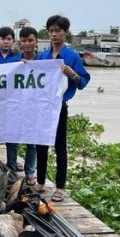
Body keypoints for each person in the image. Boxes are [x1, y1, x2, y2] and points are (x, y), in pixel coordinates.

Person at [36, 15, 90, 202]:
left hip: (59, 106)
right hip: (43, 106)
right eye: (51, 31)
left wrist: (72, 73)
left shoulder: (71, 57)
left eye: (57, 30)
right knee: (40, 144)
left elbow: (82, 81)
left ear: (65, 32)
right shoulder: (42, 57)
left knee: (60, 146)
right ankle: (40, 182)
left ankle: (60, 187)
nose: (54, 34)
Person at [5, 27, 39, 184]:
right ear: (19, 42)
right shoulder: (12, 63)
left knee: (32, 141)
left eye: (30, 40)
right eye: (24, 41)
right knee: (11, 139)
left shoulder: (44, 62)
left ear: (36, 41)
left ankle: (30, 173)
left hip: (34, 107)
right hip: (15, 106)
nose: (27, 44)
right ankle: (11, 169)